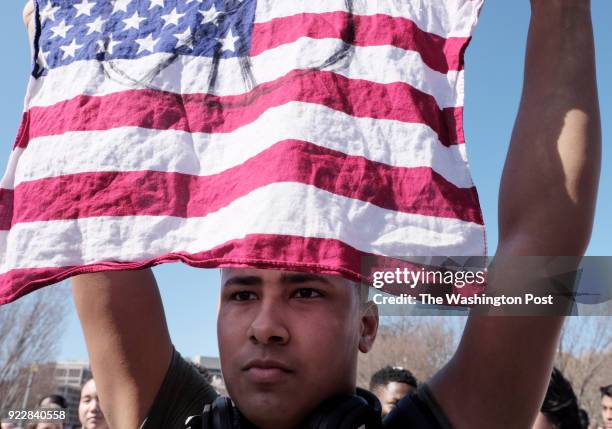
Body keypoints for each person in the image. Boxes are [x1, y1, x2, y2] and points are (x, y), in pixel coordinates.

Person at [24, 0, 601, 427]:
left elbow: (542, 238)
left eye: (307, 292)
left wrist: (564, 10)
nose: (264, 326)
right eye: (242, 293)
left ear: (367, 326)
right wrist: (73, 58)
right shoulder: (171, 417)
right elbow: (93, 220)